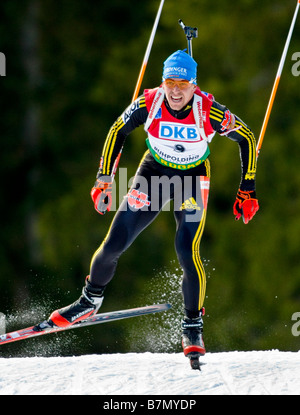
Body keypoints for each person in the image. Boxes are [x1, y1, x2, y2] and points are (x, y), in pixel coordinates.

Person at [47, 50, 259, 361]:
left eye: (182, 83)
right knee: (113, 243)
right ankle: (88, 301)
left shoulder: (209, 110)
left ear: (194, 85)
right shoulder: (150, 102)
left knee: (187, 250)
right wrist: (104, 179)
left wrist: (247, 190)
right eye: (169, 82)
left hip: (192, 178)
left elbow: (247, 138)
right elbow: (117, 131)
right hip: (153, 173)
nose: (175, 91)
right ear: (162, 82)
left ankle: (192, 325)